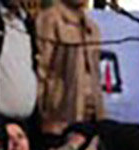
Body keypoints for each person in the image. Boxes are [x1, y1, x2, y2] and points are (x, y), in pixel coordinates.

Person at [35, 0, 104, 135]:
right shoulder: (50, 19)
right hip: (61, 116)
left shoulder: (92, 28)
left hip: (91, 116)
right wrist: (46, 113)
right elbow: (42, 70)